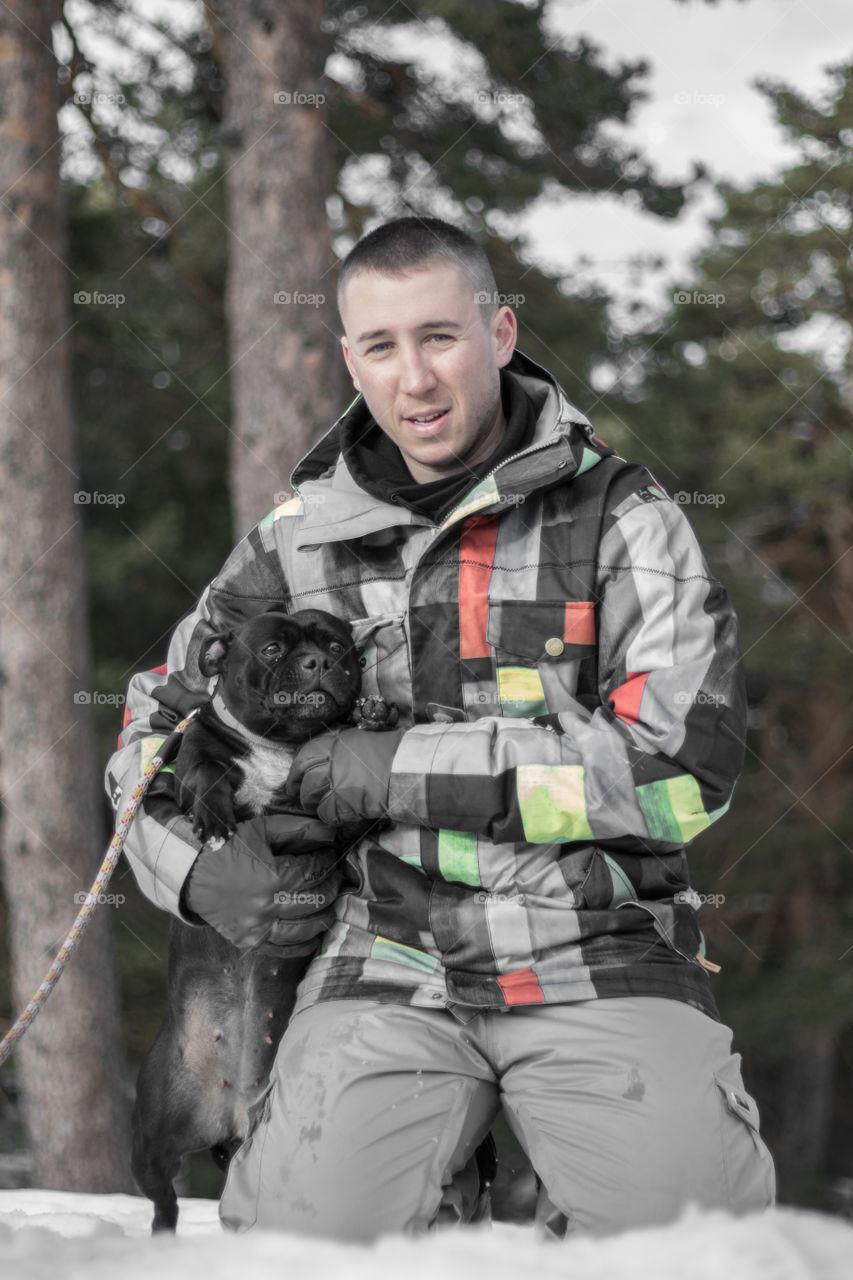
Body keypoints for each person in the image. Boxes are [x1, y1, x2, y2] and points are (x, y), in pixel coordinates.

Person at [108, 215, 776, 1242]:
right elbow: (150, 724)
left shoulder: (621, 517)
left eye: (439, 337)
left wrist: (402, 769)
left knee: (693, 1242)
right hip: (378, 955)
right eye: (379, 346)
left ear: (499, 332)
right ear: (348, 358)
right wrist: (189, 872)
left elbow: (685, 768)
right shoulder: (297, 540)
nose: (413, 378)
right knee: (294, 1244)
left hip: (593, 946)